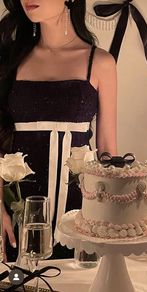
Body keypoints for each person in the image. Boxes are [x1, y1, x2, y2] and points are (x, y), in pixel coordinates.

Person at [0, 0, 117, 261]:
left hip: (81, 217)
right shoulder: (9, 60)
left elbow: (108, 151)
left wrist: (109, 221)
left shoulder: (100, 63)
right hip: (16, 215)